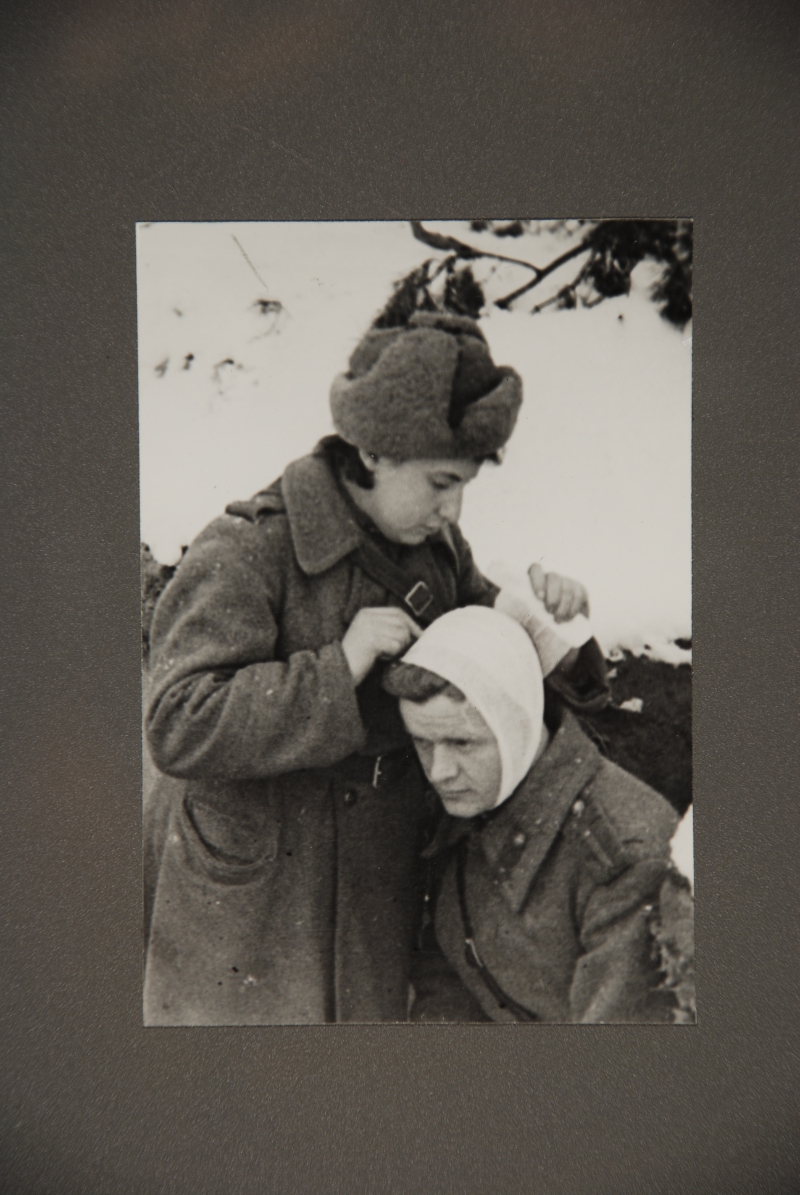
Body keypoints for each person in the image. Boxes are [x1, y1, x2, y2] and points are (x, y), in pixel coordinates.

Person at [142, 311, 608, 1025]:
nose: (452, 508)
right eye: (441, 482)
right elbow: (177, 722)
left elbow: (476, 638)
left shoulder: (434, 546)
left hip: (375, 877)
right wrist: (339, 667)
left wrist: (547, 630)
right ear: (373, 451)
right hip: (256, 892)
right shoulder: (249, 548)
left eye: (464, 486)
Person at [384, 605, 692, 1023]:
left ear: (518, 727)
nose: (440, 771)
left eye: (462, 743)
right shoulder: (473, 801)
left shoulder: (621, 855)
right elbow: (449, 977)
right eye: (423, 743)